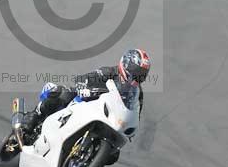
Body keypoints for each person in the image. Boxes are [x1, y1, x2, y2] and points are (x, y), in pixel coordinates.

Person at [21, 49, 151, 134]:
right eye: (137, 71)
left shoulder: (137, 93)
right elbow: (83, 79)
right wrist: (86, 90)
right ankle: (33, 116)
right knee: (62, 93)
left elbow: (135, 115)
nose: (138, 76)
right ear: (127, 64)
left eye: (142, 74)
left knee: (113, 155)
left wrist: (130, 128)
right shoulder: (109, 72)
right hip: (85, 101)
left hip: (106, 118)